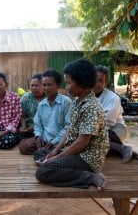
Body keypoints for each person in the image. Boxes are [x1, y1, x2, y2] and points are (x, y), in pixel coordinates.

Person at [34, 58, 109, 191]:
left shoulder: (92, 107)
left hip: (86, 158)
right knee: (40, 154)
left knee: (43, 172)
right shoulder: (77, 101)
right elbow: (70, 128)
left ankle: (90, 177)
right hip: (75, 152)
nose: (67, 87)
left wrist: (56, 158)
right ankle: (60, 165)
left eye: (69, 83)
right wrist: (56, 150)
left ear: (83, 83)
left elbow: (82, 143)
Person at [94, 65, 138, 163]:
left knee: (88, 139)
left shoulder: (112, 98)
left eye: (101, 80)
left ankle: (121, 148)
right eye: (94, 80)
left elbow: (108, 122)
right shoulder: (88, 97)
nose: (97, 84)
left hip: (115, 130)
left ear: (106, 82)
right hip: (98, 131)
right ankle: (119, 149)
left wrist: (88, 133)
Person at [19, 70, 72, 155]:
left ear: (58, 85)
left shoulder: (66, 102)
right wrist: (38, 135)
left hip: (60, 140)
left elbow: (68, 127)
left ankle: (50, 151)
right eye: (44, 85)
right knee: (23, 146)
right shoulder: (42, 104)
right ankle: (47, 151)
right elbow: (38, 124)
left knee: (64, 148)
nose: (46, 88)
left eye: (49, 85)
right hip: (45, 138)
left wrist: (55, 141)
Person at [18, 73, 45, 139]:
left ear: (43, 86)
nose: (33, 88)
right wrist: (23, 126)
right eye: (32, 85)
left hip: (44, 127)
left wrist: (35, 127)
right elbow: (22, 116)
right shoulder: (26, 97)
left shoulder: (48, 98)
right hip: (28, 128)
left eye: (36, 86)